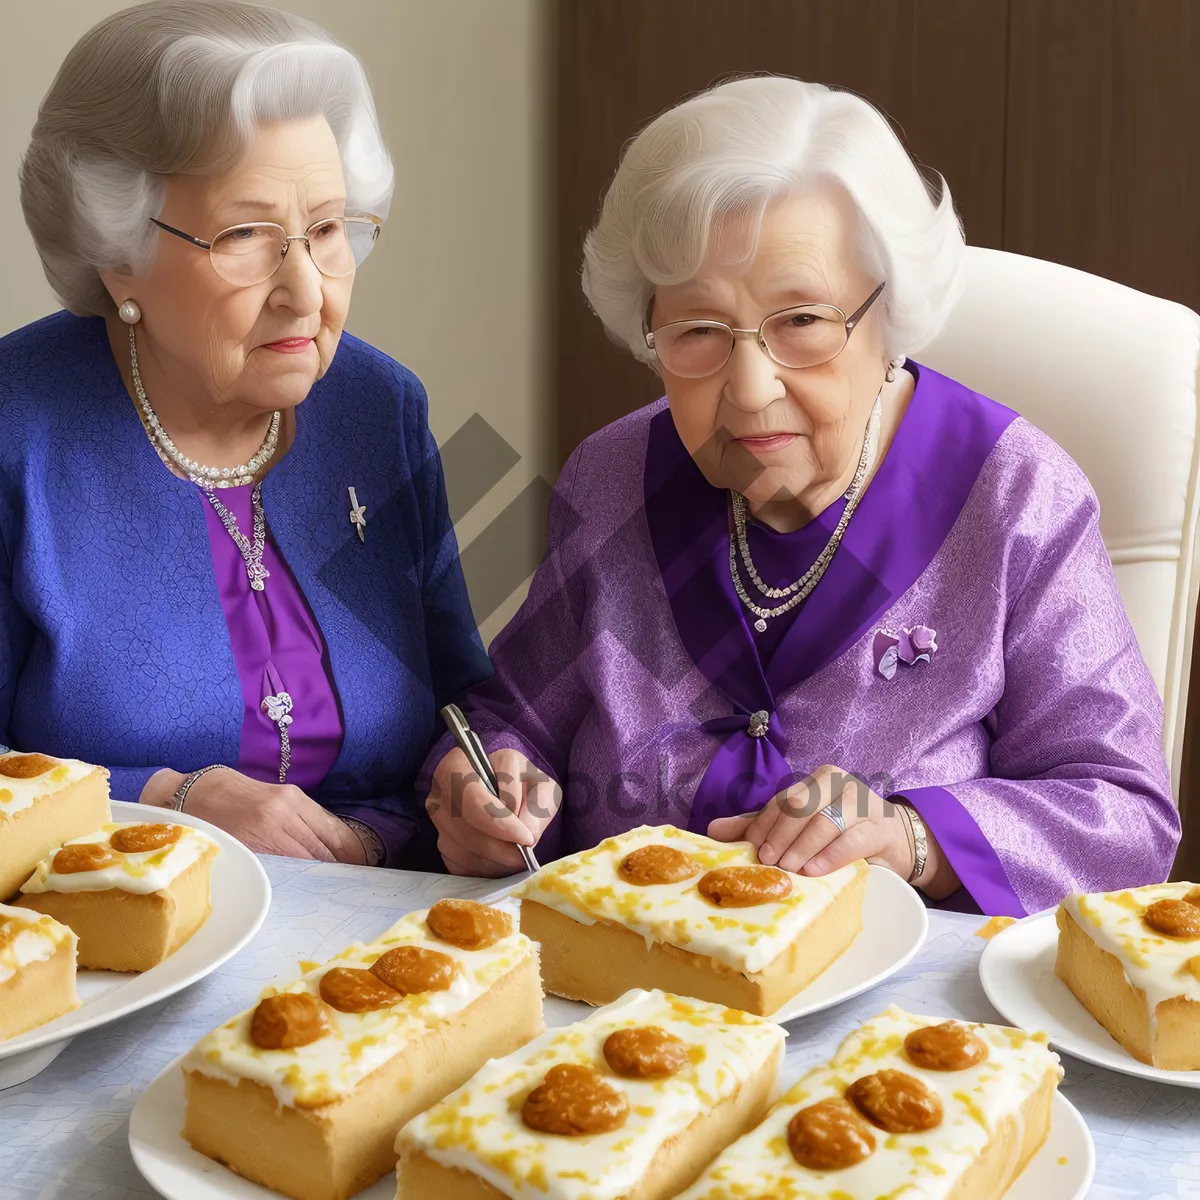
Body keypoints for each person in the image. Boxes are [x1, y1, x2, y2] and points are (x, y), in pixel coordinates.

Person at [423, 76, 1180, 915]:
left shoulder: (1016, 498)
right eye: (699, 332)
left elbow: (1124, 817)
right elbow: (511, 723)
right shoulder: (614, 477)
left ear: (887, 315)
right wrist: (481, 786)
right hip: (622, 993)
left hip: (896, 1023)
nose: (749, 391)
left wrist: (911, 837)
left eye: (803, 323)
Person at [0, 0, 489, 867]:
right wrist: (166, 799)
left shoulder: (382, 409)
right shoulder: (19, 431)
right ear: (117, 251)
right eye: (247, 235)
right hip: (92, 949)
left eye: (329, 230)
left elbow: (464, 705)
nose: (307, 289)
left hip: (370, 930)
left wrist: (478, 786)